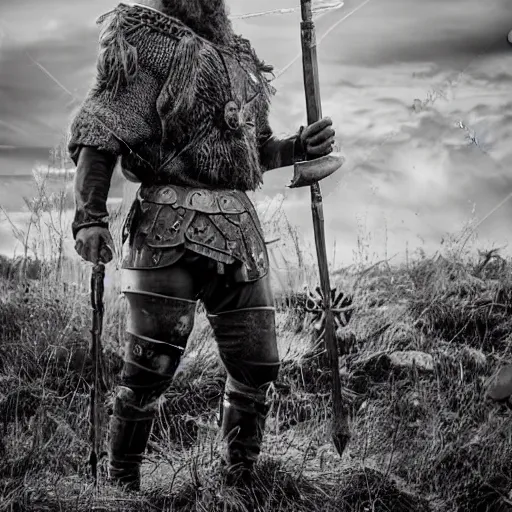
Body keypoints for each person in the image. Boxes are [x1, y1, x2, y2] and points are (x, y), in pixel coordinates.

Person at [70, 0, 338, 491]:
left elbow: (253, 154)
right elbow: (100, 132)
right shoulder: (146, 41)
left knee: (258, 367)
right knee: (148, 371)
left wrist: (298, 147)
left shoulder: (235, 57)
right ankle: (121, 486)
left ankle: (239, 482)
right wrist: (90, 219)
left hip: (237, 234)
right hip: (165, 230)